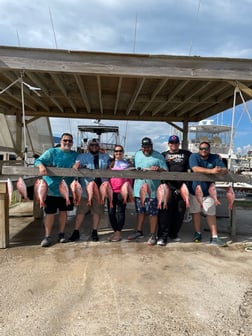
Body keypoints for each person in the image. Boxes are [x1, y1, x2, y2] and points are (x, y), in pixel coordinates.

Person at [34, 133, 78, 247]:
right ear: (61, 141)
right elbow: (38, 161)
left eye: (70, 141)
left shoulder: (75, 154)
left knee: (64, 212)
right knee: (50, 213)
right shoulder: (52, 152)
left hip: (66, 190)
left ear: (72, 143)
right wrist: (41, 166)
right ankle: (47, 236)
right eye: (65, 140)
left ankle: (61, 235)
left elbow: (80, 162)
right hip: (50, 189)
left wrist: (77, 165)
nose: (67, 142)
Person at [127, 137, 167, 245]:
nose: (146, 149)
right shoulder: (137, 154)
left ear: (152, 146)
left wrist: (158, 169)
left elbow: (165, 170)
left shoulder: (158, 156)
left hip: (153, 191)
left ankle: (153, 234)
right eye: (144, 147)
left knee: (152, 213)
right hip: (138, 190)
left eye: (148, 147)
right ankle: (139, 231)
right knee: (140, 212)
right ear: (141, 147)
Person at [69, 138, 110, 242]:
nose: (94, 147)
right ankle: (76, 231)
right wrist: (76, 166)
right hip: (85, 189)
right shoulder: (81, 156)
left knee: (97, 211)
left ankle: (95, 231)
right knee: (81, 211)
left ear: (99, 146)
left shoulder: (106, 156)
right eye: (92, 145)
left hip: (100, 190)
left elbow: (112, 166)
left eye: (96, 145)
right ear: (88, 147)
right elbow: (76, 165)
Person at [189, 141, 228, 246]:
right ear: (199, 149)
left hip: (209, 192)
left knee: (211, 213)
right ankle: (197, 233)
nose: (203, 150)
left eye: (206, 148)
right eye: (201, 148)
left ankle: (214, 236)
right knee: (195, 212)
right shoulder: (194, 156)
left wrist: (220, 170)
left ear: (209, 150)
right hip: (195, 192)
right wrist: (211, 171)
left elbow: (225, 169)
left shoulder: (214, 157)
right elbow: (195, 168)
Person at [157, 135, 191, 246]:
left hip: (182, 187)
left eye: (176, 142)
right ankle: (162, 236)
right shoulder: (162, 155)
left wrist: (217, 156)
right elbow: (156, 165)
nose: (174, 144)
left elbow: (198, 159)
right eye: (171, 142)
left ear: (179, 143)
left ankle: (174, 234)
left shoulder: (187, 154)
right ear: (168, 144)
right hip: (167, 187)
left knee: (180, 212)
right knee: (165, 212)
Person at [107, 145, 133, 242]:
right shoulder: (110, 163)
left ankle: (118, 233)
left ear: (123, 152)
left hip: (122, 191)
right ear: (114, 152)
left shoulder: (127, 163)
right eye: (116, 151)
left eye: (120, 151)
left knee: (121, 212)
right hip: (111, 191)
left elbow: (130, 178)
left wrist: (129, 191)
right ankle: (115, 232)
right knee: (111, 212)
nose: (118, 153)